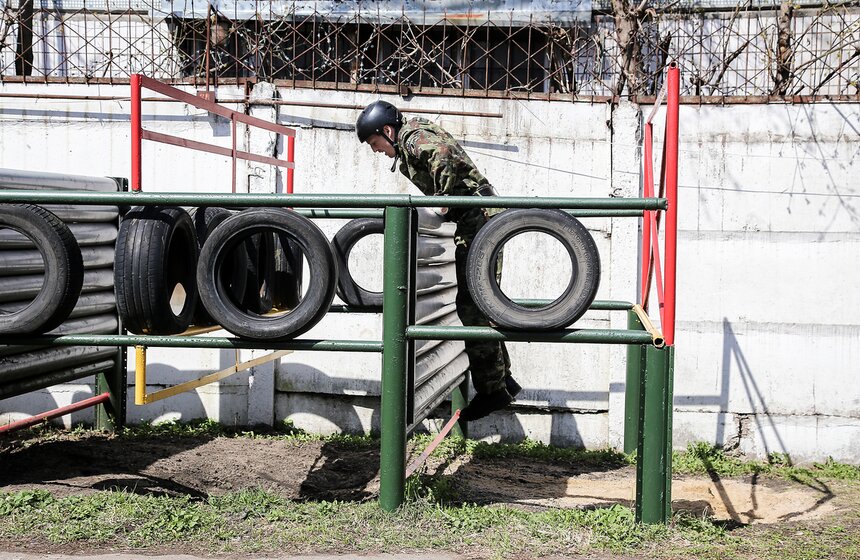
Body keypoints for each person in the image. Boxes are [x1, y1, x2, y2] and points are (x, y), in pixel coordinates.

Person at [356, 100, 521, 421]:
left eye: (375, 143)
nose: (376, 151)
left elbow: (441, 155)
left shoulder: (412, 136)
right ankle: (502, 381)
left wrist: (443, 202)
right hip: (476, 225)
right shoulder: (410, 139)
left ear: (386, 131)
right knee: (475, 306)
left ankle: (493, 390)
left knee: (473, 309)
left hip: (480, 225)